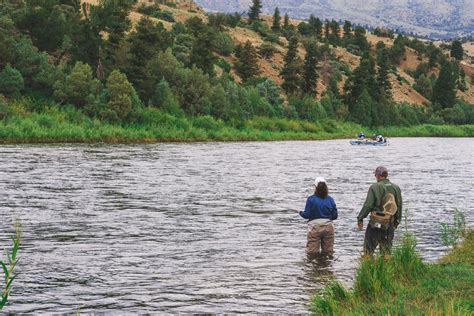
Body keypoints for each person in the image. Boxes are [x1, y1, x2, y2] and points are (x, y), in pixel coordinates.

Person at [357, 166, 402, 255]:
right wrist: (397, 221)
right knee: (386, 253)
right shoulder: (396, 188)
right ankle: (386, 268)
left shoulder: (374, 187)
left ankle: (367, 267)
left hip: (375, 224)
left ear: (377, 175)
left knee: (368, 252)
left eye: (375, 175)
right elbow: (399, 206)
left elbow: (368, 205)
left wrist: (360, 218)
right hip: (389, 223)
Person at [299, 177, 338, 257]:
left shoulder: (311, 199)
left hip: (314, 228)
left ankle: (313, 268)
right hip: (328, 227)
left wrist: (300, 213)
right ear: (326, 187)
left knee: (312, 254)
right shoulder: (330, 200)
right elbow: (335, 216)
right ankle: (326, 268)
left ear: (315, 187)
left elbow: (306, 215)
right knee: (328, 253)